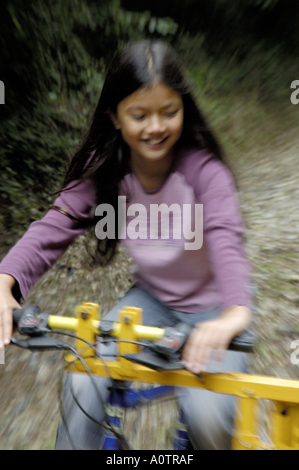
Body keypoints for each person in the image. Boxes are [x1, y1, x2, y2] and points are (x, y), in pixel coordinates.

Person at [0, 40, 252, 450]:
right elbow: (53, 227)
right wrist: (5, 281)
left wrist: (234, 314)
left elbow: (227, 241)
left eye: (169, 112)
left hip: (217, 306)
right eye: (140, 114)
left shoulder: (207, 172)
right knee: (83, 378)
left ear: (184, 110)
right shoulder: (104, 171)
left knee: (209, 416)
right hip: (150, 301)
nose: (156, 126)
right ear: (115, 117)